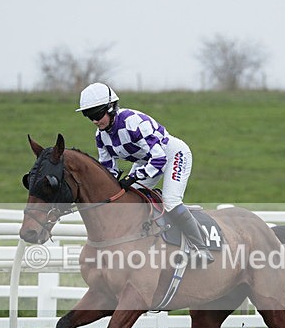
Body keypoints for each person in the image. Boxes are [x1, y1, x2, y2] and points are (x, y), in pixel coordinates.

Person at [76, 82, 213, 262]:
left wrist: (133, 177)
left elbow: (159, 158)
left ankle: (201, 247)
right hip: (146, 161)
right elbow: (108, 168)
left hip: (172, 155)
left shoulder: (132, 122)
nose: (94, 121)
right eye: (89, 116)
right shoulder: (100, 136)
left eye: (97, 114)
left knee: (171, 201)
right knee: (130, 201)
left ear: (110, 108)